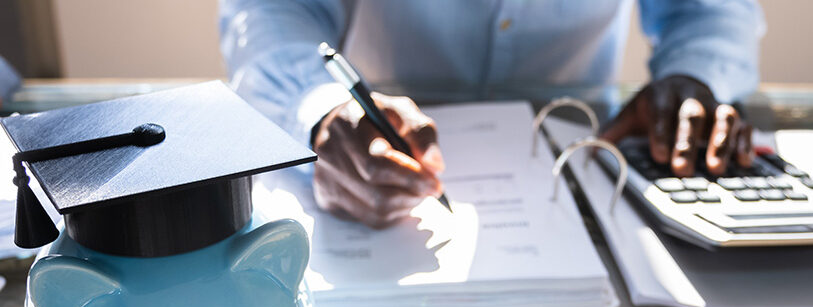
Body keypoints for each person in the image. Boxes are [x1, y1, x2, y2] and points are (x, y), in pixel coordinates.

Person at [221, 0, 763, 228]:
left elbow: (708, 11)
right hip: (372, 153)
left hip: (586, 168)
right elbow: (274, 11)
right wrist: (321, 108)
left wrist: (694, 75)